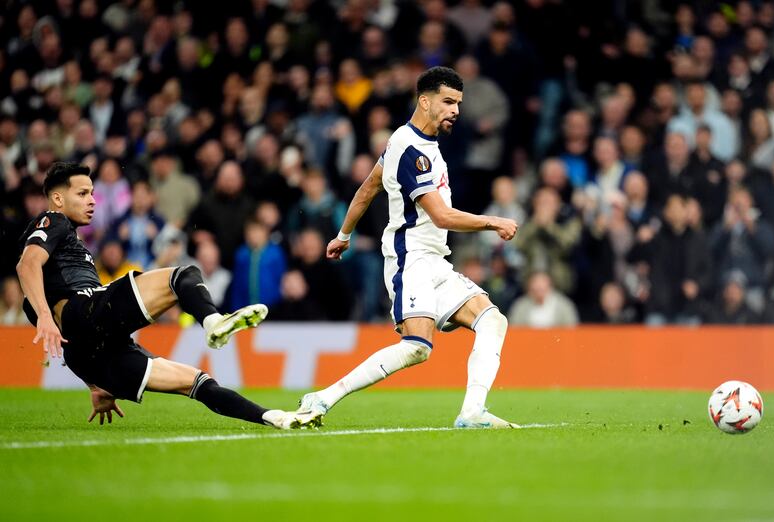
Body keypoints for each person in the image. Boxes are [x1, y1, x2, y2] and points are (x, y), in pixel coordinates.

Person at [295, 67, 520, 429]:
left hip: (435, 261)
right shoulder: (411, 150)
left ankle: (472, 412)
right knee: (418, 347)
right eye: (448, 102)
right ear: (425, 101)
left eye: (459, 103)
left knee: (493, 320)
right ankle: (322, 397)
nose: (456, 110)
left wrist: (343, 235)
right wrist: (493, 221)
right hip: (410, 259)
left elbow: (369, 188)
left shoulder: (413, 143)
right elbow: (442, 216)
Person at [16, 162, 302, 429]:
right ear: (57, 199)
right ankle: (214, 323)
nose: (92, 200)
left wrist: (95, 385)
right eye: (82, 193)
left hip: (94, 350)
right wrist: (45, 316)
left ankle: (274, 418)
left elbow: (73, 341)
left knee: (197, 383)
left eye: (92, 192)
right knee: (183, 276)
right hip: (90, 311)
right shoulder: (54, 220)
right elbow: (27, 264)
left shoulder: (60, 258)